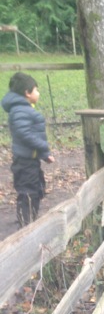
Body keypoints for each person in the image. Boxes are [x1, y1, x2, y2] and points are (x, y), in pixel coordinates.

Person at [1, 72, 55, 227]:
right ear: (27, 93)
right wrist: (44, 147)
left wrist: (45, 155)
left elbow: (32, 135)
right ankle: (26, 226)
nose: (38, 93)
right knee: (28, 193)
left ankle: (30, 222)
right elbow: (24, 133)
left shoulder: (24, 109)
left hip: (30, 160)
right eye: (36, 90)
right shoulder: (20, 110)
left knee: (36, 190)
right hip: (24, 162)